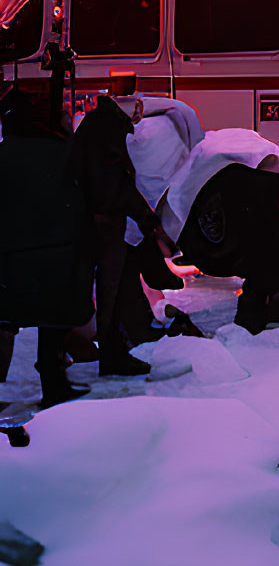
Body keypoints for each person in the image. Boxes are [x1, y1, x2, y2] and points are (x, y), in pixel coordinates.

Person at [0, 91, 93, 407]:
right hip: (60, 252)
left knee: (5, 323)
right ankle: (54, 387)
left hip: (12, 254)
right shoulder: (64, 150)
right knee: (53, 324)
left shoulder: (4, 152)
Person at [65, 95, 168, 378]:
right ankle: (111, 355)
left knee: (98, 294)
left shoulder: (89, 135)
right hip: (106, 231)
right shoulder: (108, 141)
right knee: (109, 296)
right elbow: (116, 189)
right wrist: (145, 217)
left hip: (86, 229)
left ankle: (98, 350)